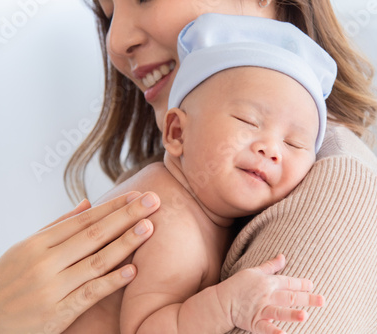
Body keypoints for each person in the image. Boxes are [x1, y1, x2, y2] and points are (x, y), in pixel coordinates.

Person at [0, 0, 377, 333]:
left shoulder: (340, 190)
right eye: (108, 12)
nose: (115, 41)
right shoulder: (179, 198)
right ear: (177, 132)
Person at [115, 13, 336, 334]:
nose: (271, 149)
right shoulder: (167, 218)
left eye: (294, 143)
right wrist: (225, 306)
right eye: (248, 121)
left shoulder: (204, 211)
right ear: (177, 132)